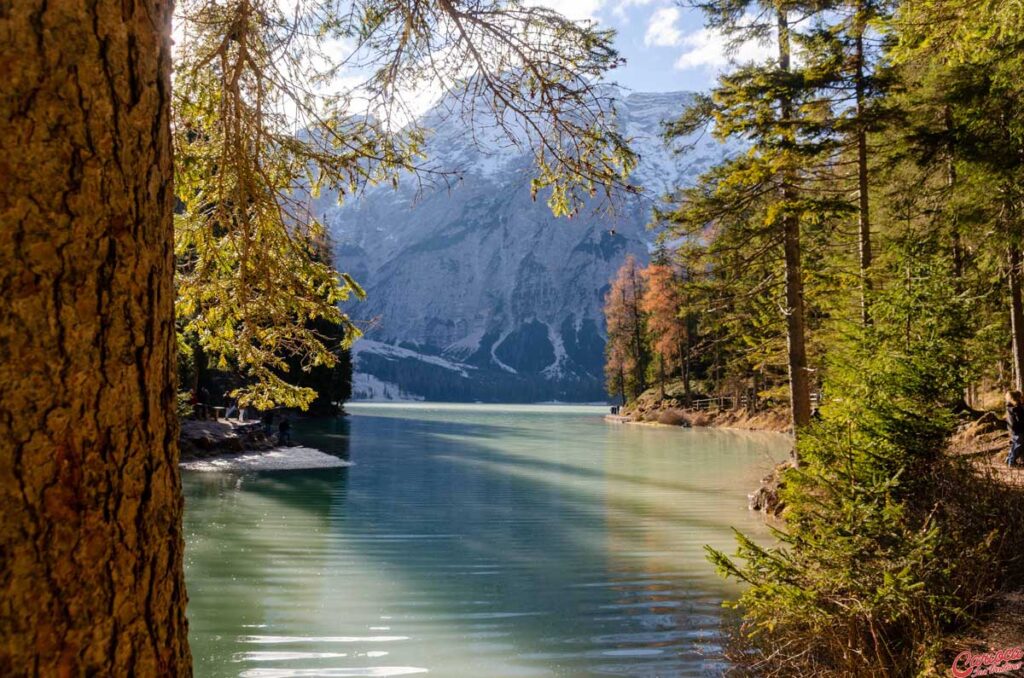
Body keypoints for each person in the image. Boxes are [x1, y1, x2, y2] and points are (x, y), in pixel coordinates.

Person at [1006, 391, 1024, 467]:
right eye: (1021, 396)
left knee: (1015, 445)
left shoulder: (1010, 406)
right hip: (1018, 430)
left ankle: (1009, 460)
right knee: (1018, 445)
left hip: (1014, 429)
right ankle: (1011, 462)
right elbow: (1020, 419)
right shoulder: (1016, 408)